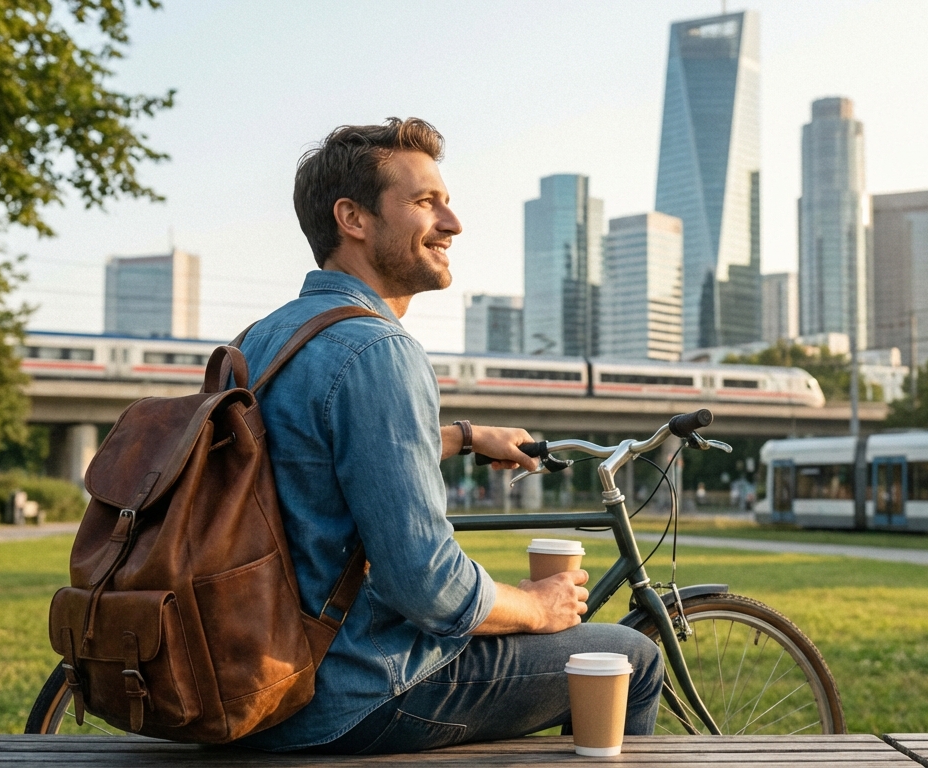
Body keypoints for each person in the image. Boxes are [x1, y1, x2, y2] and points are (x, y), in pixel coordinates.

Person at [234, 120, 663, 754]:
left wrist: (464, 436)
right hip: (357, 692)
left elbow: (318, 457)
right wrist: (535, 604)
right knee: (630, 655)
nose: (453, 222)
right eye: (425, 201)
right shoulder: (378, 349)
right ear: (352, 217)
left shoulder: (262, 340)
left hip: (254, 679)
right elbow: (427, 588)